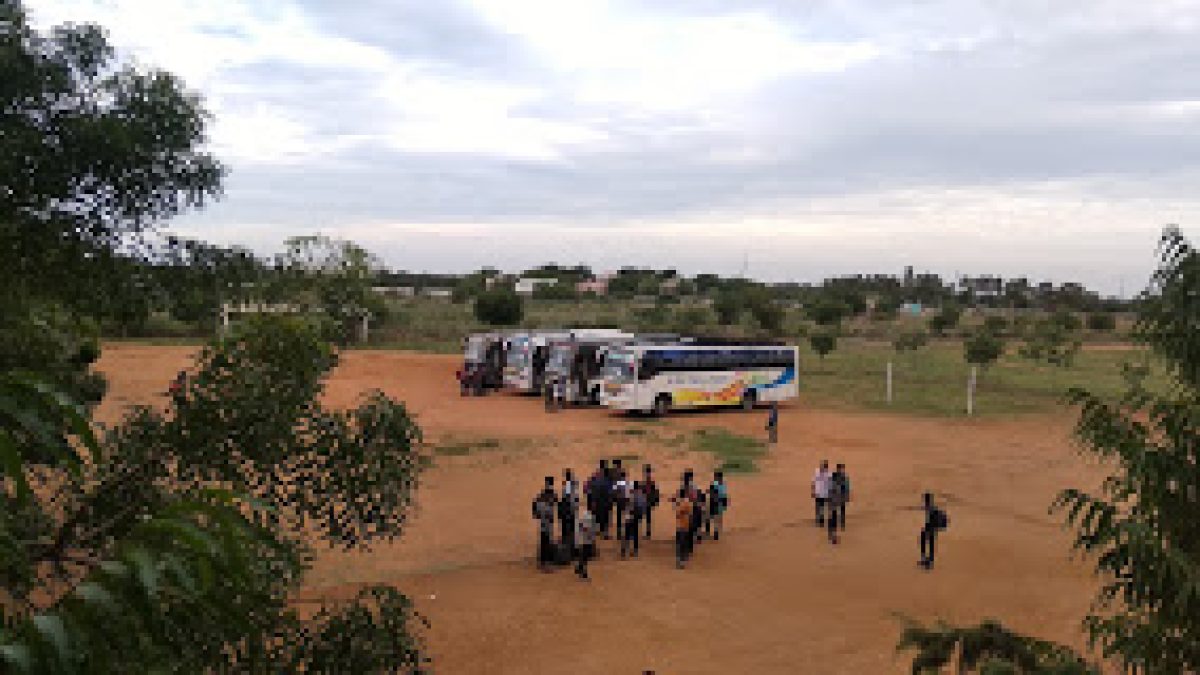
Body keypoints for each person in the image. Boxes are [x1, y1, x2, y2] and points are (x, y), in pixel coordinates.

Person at [532, 477, 557, 571]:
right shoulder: (552, 495)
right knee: (546, 541)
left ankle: (542, 561)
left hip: (544, 522)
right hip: (547, 522)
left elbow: (534, 505)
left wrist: (536, 514)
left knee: (544, 541)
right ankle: (545, 564)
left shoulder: (541, 495)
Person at [919, 492, 948, 570]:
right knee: (928, 542)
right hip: (931, 527)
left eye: (925, 499)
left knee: (926, 541)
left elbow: (930, 518)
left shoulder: (930, 507)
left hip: (931, 527)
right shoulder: (930, 507)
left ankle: (926, 558)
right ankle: (927, 559)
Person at [621, 482, 646, 558]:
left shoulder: (631, 496)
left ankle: (625, 551)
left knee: (627, 534)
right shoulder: (641, 496)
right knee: (635, 534)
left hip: (630, 517)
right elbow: (643, 508)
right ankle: (634, 551)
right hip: (635, 517)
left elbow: (626, 506)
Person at [558, 470, 578, 563]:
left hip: (569, 510)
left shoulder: (569, 486)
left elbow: (566, 498)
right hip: (572, 509)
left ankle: (568, 548)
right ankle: (572, 547)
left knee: (567, 529)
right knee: (572, 529)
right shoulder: (573, 484)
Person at [575, 505, 597, 580]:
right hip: (586, 541)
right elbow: (588, 530)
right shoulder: (589, 518)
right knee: (585, 558)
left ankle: (579, 569)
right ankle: (583, 574)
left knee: (582, 556)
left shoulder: (585, 516)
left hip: (581, 540)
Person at [707, 471, 729, 541]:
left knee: (714, 519)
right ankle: (717, 532)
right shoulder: (722, 485)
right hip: (718, 504)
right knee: (717, 519)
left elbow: (712, 494)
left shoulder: (714, 485)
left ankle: (715, 533)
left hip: (715, 504)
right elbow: (724, 496)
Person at [673, 489, 692, 569]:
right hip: (684, 526)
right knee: (682, 544)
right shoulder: (685, 503)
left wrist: (676, 503)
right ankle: (682, 560)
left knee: (681, 544)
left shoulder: (683, 504)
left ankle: (681, 561)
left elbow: (679, 512)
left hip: (681, 527)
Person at [826, 469, 846, 544]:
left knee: (832, 519)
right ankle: (832, 536)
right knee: (833, 520)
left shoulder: (831, 486)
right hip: (834, 504)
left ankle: (831, 535)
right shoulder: (836, 486)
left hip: (832, 504)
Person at [812, 460, 832, 526]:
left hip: (825, 493)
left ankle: (822, 519)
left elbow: (830, 484)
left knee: (823, 507)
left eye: (824, 466)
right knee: (819, 507)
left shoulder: (828, 474)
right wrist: (813, 491)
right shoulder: (817, 472)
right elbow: (814, 482)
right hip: (819, 493)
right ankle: (819, 520)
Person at [643, 464, 660, 538]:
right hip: (648, 500)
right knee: (648, 517)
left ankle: (648, 532)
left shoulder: (647, 482)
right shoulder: (650, 482)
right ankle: (648, 531)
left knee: (646, 517)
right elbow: (655, 492)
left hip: (646, 501)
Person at [831, 463, 850, 530]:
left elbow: (846, 487)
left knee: (840, 510)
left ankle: (839, 523)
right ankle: (837, 523)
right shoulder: (840, 476)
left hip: (839, 495)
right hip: (837, 495)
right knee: (836, 510)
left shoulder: (840, 476)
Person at [613, 470, 630, 540]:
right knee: (626, 517)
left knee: (619, 518)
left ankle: (619, 533)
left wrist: (615, 500)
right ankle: (626, 532)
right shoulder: (627, 483)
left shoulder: (617, 484)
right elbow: (629, 494)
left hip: (619, 501)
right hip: (625, 501)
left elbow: (614, 492)